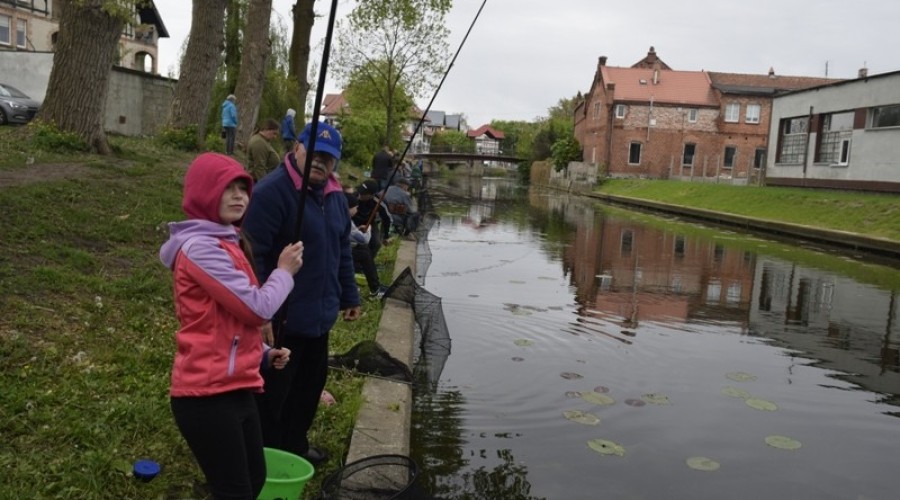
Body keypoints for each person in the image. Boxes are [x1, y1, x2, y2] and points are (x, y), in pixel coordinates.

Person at [159, 152, 303, 499]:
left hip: (237, 385)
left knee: (254, 482)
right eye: (229, 188)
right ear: (205, 193)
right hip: (206, 394)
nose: (240, 196)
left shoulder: (228, 242)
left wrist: (265, 353)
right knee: (235, 491)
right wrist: (284, 272)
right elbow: (257, 308)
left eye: (244, 188)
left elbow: (233, 322)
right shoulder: (200, 249)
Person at [242, 121, 362, 467]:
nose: (322, 165)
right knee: (274, 394)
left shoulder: (336, 195)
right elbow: (252, 255)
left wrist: (350, 296)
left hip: (320, 316)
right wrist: (261, 312)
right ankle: (265, 455)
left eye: (330, 159)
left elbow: (341, 249)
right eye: (316, 155)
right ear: (297, 148)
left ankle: (294, 445)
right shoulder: (272, 192)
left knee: (309, 388)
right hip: (284, 319)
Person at [347, 191, 389, 298]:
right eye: (355, 208)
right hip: (336, 252)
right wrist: (369, 229)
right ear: (349, 208)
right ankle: (375, 289)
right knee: (365, 253)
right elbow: (364, 239)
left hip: (341, 248)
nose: (356, 210)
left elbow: (353, 234)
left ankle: (375, 286)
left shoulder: (344, 218)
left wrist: (357, 229)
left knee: (364, 251)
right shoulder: (345, 220)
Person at [354, 179, 393, 258]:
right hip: (352, 221)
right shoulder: (352, 196)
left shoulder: (378, 202)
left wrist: (386, 236)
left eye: (363, 194)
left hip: (369, 223)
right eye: (360, 191)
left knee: (376, 243)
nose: (360, 194)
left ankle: (367, 261)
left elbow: (386, 218)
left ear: (371, 195)